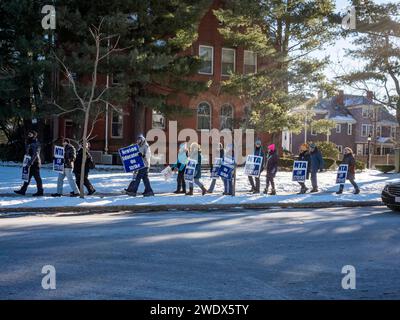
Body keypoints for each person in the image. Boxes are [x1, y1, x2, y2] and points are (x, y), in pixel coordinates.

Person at [14, 130, 44, 197]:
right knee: (27, 177)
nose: (29, 135)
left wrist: (30, 163)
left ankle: (40, 191)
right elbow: (28, 153)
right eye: (29, 134)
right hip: (29, 162)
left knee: (37, 178)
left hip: (35, 162)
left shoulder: (37, 143)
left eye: (30, 134)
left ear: (34, 135)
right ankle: (23, 190)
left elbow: (35, 154)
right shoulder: (29, 142)